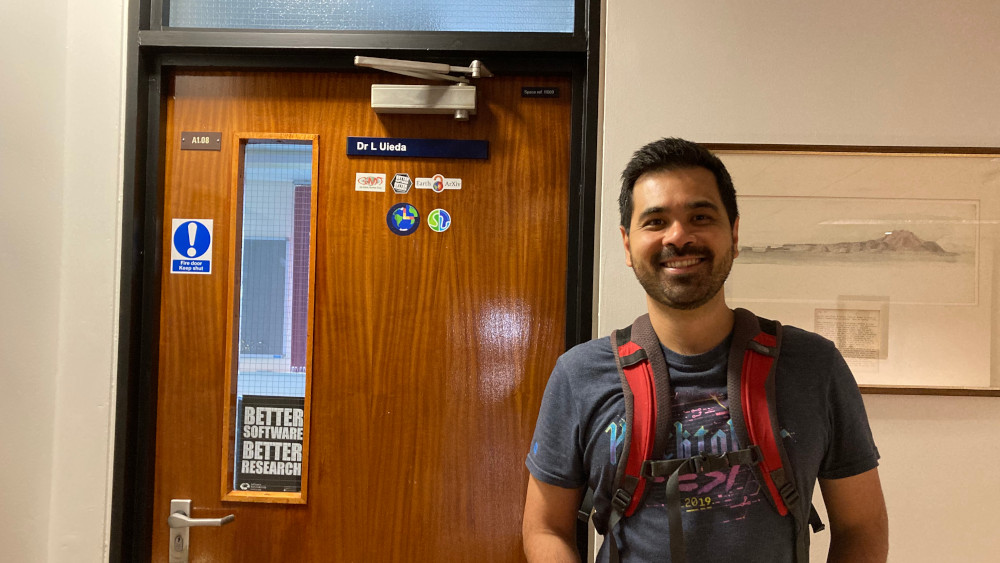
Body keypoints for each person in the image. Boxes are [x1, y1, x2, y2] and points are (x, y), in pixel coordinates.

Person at [522, 138, 888, 562]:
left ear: (733, 233)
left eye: (700, 216)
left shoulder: (814, 367)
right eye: (655, 221)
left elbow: (862, 528)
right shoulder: (578, 375)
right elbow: (545, 526)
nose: (678, 236)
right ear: (626, 243)